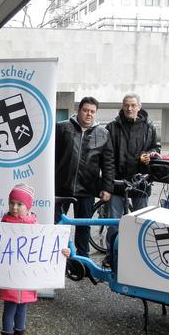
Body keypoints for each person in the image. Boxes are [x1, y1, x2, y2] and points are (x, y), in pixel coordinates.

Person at [0, 183, 70, 335]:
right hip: (10, 276)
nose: (14, 207)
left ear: (28, 206)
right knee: (10, 308)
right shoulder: (4, 223)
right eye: (12, 203)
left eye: (19, 204)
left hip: (26, 278)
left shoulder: (36, 225)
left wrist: (62, 251)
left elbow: (46, 247)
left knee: (22, 308)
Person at [55, 96, 114, 257]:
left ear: (96, 113)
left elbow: (108, 163)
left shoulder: (103, 134)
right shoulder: (62, 128)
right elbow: (51, 157)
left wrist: (107, 187)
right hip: (61, 187)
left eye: (92, 111)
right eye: (85, 110)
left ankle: (82, 260)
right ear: (79, 110)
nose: (89, 114)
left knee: (83, 226)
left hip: (87, 188)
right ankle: (56, 258)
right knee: (57, 224)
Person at [104, 93, 159, 266]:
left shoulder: (149, 127)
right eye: (126, 105)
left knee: (140, 222)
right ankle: (111, 255)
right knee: (114, 222)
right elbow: (108, 157)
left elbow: (156, 148)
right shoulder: (112, 127)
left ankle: (137, 258)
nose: (129, 108)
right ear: (122, 106)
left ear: (139, 107)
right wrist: (109, 181)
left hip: (140, 182)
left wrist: (150, 154)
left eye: (133, 105)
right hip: (117, 182)